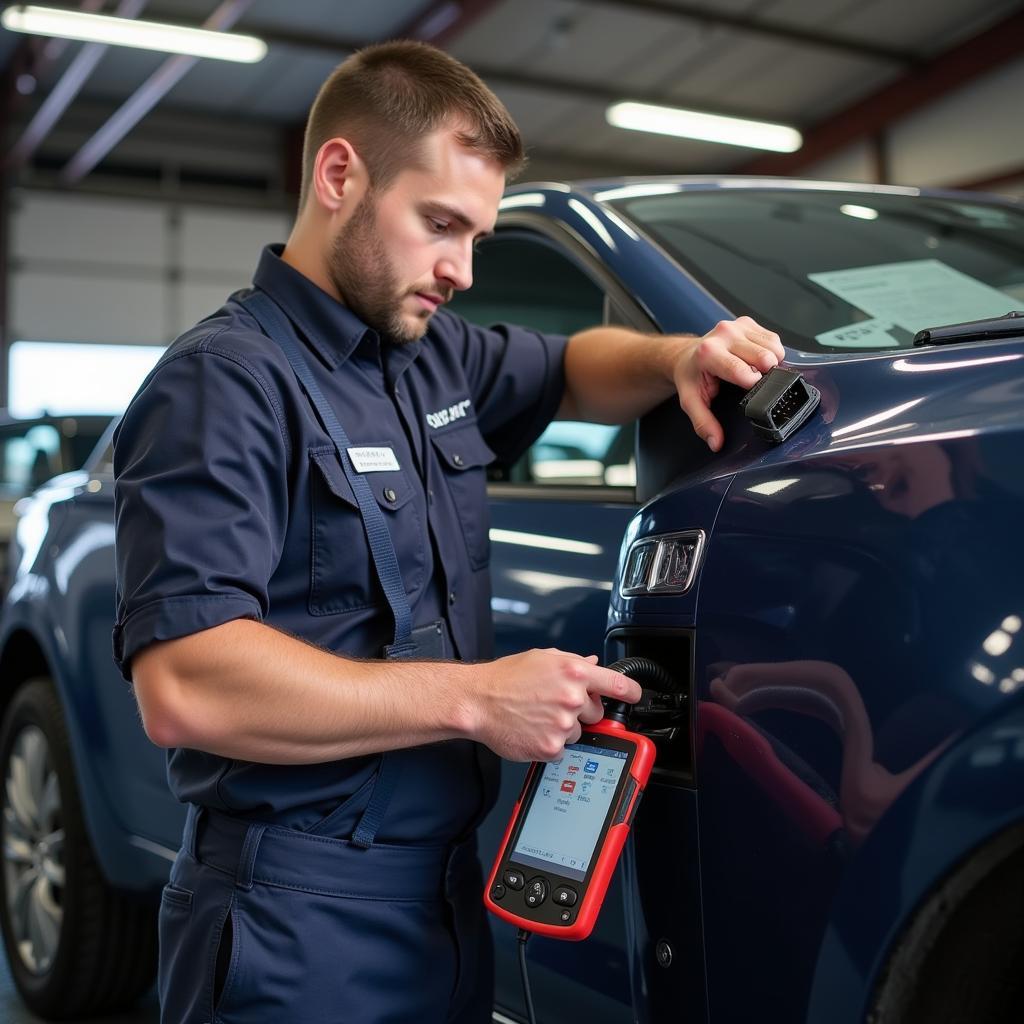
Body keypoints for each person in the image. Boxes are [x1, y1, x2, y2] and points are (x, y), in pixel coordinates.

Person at [112, 40, 785, 1024]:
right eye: (440, 225)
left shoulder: (424, 354)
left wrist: (682, 354)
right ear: (339, 175)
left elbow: (571, 369)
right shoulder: (225, 382)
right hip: (297, 925)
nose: (462, 269)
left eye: (476, 234)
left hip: (445, 905)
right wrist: (475, 698)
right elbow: (186, 687)